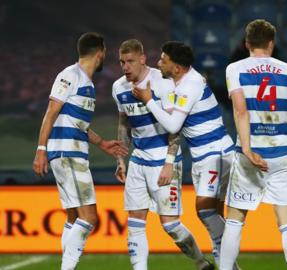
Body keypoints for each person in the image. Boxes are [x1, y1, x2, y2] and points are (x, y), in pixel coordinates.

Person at [131, 41, 236, 268]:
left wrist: (148, 100)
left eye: (163, 60)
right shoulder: (183, 82)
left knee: (205, 210)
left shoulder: (190, 86)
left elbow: (173, 125)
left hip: (214, 152)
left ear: (176, 68)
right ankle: (229, 263)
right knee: (214, 213)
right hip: (205, 155)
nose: (158, 64)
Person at [218, 19, 287, 270]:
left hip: (250, 153)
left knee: (236, 220)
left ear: (247, 43)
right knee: (286, 220)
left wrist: (247, 149)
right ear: (271, 43)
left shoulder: (235, 69)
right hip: (281, 153)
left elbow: (240, 112)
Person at [112, 39, 214, 270]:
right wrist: (121, 158)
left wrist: (170, 163)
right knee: (135, 222)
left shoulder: (163, 82)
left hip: (163, 160)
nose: (125, 67)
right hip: (138, 160)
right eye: (121, 62)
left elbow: (174, 127)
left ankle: (200, 263)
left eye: (130, 61)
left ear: (142, 59)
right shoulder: (118, 87)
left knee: (170, 225)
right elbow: (124, 122)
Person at [32, 32, 128, 270]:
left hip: (72, 153)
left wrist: (102, 143)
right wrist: (41, 149)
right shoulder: (70, 75)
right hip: (67, 154)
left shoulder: (87, 83)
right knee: (90, 217)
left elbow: (78, 125)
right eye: (105, 52)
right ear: (100, 52)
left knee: (74, 217)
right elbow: (51, 112)